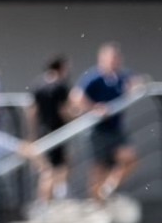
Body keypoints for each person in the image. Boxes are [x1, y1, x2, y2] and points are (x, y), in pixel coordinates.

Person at [74, 42, 137, 201]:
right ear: (103, 59)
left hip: (115, 129)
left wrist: (136, 87)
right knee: (98, 168)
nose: (115, 61)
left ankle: (107, 190)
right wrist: (95, 108)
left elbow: (138, 82)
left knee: (130, 159)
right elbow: (76, 97)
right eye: (112, 58)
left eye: (117, 58)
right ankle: (96, 203)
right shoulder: (94, 77)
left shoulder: (121, 77)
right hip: (97, 130)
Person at [29, 57, 72, 206]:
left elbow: (32, 112)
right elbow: (64, 110)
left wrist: (33, 134)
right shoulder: (60, 86)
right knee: (56, 168)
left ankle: (47, 201)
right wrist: (74, 120)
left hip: (42, 131)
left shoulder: (38, 85)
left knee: (47, 168)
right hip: (57, 131)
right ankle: (51, 199)